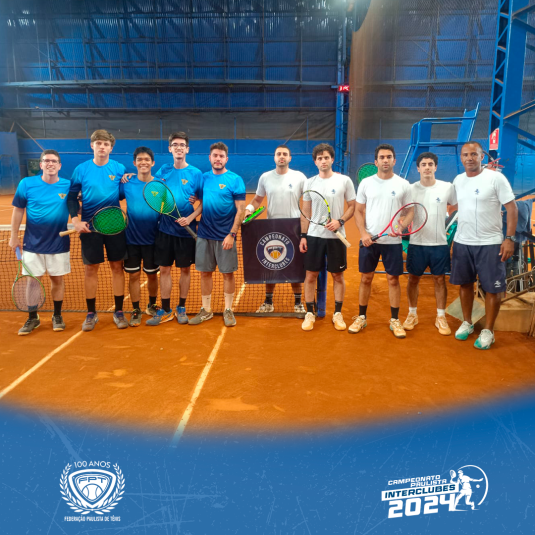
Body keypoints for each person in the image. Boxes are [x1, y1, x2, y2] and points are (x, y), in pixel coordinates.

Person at [450, 141, 518, 349]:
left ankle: (488, 330)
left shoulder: (495, 178)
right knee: (465, 284)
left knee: (492, 289)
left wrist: (509, 238)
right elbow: (454, 205)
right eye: (465, 155)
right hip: (463, 242)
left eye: (474, 154)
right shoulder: (458, 180)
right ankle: (467, 322)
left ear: (482, 156)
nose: (469, 158)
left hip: (490, 243)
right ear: (461, 158)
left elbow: (512, 208)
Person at [68, 129, 127, 331]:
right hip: (89, 228)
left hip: (115, 226)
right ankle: (91, 313)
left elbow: (121, 194)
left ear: (111, 148)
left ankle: (119, 311)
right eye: (98, 143)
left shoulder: (119, 168)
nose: (102, 147)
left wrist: (127, 178)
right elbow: (71, 197)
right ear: (92, 145)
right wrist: (75, 221)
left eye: (106, 144)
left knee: (117, 267)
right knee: (91, 269)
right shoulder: (81, 169)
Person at [353, 144, 411, 338]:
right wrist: (363, 233)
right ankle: (361, 317)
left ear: (394, 160)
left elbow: (410, 211)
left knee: (393, 280)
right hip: (369, 240)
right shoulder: (366, 183)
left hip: (393, 242)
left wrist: (401, 227)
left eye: (389, 157)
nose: (385, 160)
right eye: (382, 157)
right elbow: (358, 211)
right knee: (366, 278)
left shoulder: (403, 184)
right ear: (376, 162)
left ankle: (394, 319)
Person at [9, 150, 71, 335]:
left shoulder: (68, 185)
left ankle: (57, 315)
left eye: (54, 161)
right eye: (46, 161)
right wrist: (13, 236)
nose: (50, 163)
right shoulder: (26, 183)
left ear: (59, 166)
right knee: (32, 282)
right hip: (32, 243)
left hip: (59, 243)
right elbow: (18, 210)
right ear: (41, 164)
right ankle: (32, 317)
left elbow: (78, 207)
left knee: (57, 280)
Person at [147, 132, 203, 326]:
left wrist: (190, 218)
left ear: (187, 149)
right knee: (164, 269)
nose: (179, 148)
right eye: (175, 145)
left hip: (185, 232)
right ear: (170, 148)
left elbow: (203, 201)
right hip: (165, 229)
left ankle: (181, 307)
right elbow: (155, 192)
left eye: (182, 145)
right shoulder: (163, 170)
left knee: (185, 270)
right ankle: (166, 309)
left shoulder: (196, 173)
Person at [299, 143, 356, 332]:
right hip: (314, 236)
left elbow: (352, 206)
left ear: (332, 159)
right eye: (319, 158)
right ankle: (309, 313)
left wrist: (340, 221)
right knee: (310, 275)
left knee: (338, 275)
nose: (323, 161)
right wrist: (303, 236)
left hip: (336, 238)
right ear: (315, 162)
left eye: (326, 157)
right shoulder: (309, 183)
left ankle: (337, 313)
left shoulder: (344, 181)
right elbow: (306, 211)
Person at [244, 144, 307, 314]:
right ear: (274, 157)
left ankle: (298, 303)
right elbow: (257, 199)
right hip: (272, 227)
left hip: (294, 227)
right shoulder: (265, 177)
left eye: (285, 154)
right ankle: (268, 302)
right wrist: (249, 209)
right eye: (279, 154)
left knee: (295, 265)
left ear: (290, 158)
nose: (282, 156)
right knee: (271, 265)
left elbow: (310, 197)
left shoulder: (299, 177)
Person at [189, 142, 246, 327]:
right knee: (205, 273)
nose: (218, 159)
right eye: (215, 155)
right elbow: (201, 201)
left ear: (226, 159)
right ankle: (206, 310)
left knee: (227, 274)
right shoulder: (204, 178)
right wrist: (192, 207)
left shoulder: (235, 179)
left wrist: (231, 234)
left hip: (225, 236)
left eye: (221, 156)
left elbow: (241, 210)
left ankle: (228, 309)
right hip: (204, 234)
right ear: (210, 158)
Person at [402, 152, 457, 335]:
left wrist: (448, 220)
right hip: (417, 243)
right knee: (413, 279)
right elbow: (404, 212)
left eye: (430, 164)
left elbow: (455, 205)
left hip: (439, 243)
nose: (427, 167)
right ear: (418, 168)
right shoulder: (410, 189)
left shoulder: (447, 187)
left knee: (440, 279)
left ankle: (440, 317)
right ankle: (412, 314)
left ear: (435, 167)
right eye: (423, 164)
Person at [119, 147, 161, 326]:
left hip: (153, 240)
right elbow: (111, 196)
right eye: (139, 160)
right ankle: (136, 309)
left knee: (152, 276)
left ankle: (152, 304)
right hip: (131, 240)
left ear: (153, 163)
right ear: (134, 163)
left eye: (147, 159)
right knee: (134, 276)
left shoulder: (160, 184)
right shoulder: (126, 183)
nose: (143, 162)